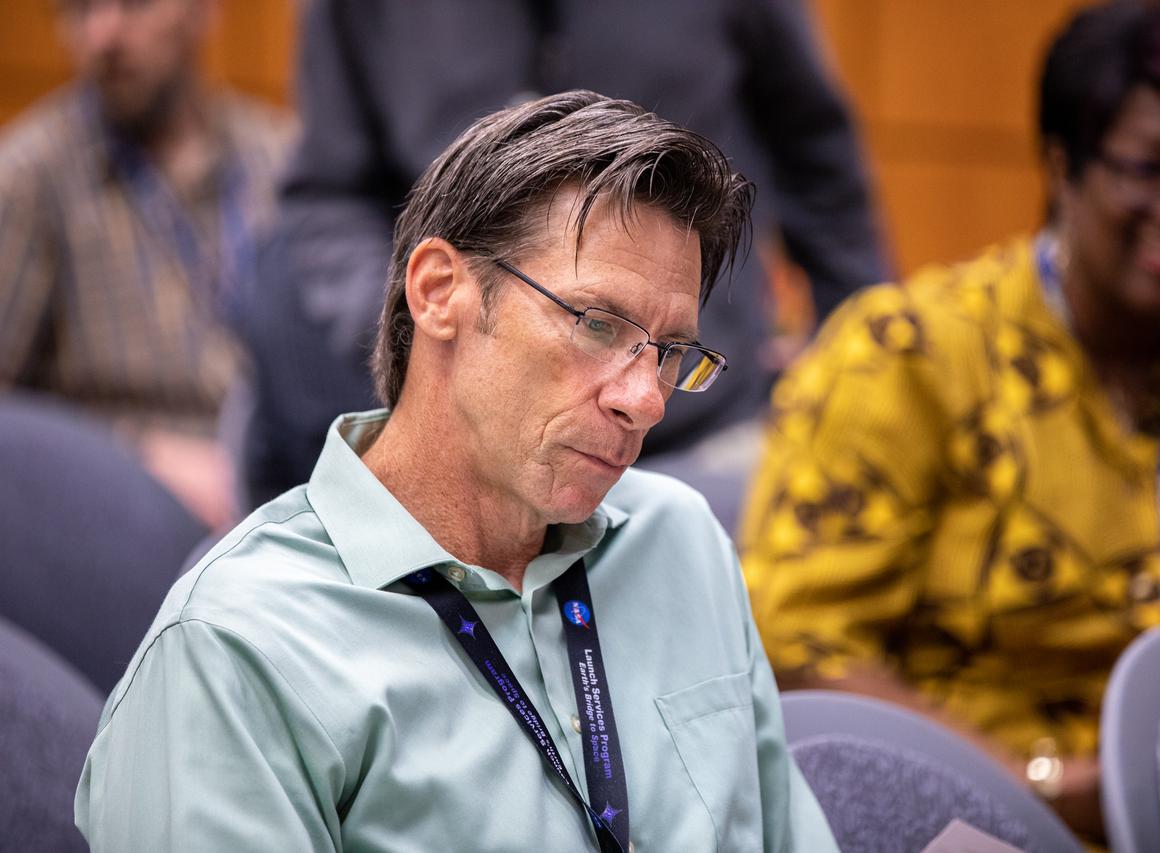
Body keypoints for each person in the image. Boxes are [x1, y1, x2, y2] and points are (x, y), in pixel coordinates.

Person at [75, 91, 838, 852]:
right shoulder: (238, 648)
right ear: (440, 292)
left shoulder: (682, 544)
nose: (645, 399)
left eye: (671, 353)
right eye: (598, 324)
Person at [739, 0, 1160, 842]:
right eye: (1150, 168)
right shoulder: (910, 356)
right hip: (956, 817)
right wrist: (1042, 788)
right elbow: (798, 642)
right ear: (1063, 164)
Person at [237, 0, 891, 518]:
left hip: (696, 422)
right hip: (462, 412)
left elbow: (819, 165)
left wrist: (857, 378)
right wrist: (421, 335)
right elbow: (327, 192)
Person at [0, 0, 290, 531]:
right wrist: (135, 454)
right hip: (113, 511)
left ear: (204, 11)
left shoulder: (278, 158)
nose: (103, 33)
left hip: (280, 487)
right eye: (78, 9)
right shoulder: (32, 179)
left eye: (134, 3)